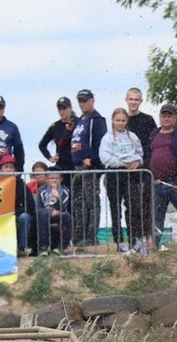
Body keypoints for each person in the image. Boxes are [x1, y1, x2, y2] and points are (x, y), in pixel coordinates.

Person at [99, 107, 145, 254]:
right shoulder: (107, 138)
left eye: (123, 120)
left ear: (127, 121)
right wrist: (122, 163)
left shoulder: (133, 137)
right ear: (113, 121)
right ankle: (118, 240)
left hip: (131, 174)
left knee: (133, 206)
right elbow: (105, 158)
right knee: (115, 209)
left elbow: (140, 154)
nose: (120, 123)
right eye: (117, 120)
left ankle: (134, 238)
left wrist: (137, 162)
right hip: (114, 174)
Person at [70, 89, 107, 246]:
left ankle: (92, 235)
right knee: (78, 202)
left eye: (85, 100)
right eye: (80, 101)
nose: (83, 103)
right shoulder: (80, 120)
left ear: (92, 100)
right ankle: (79, 233)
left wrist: (94, 161)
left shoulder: (97, 119)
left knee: (91, 201)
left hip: (89, 167)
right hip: (77, 167)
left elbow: (101, 143)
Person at [124, 88, 156, 243]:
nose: (133, 102)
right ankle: (133, 238)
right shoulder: (122, 120)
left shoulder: (148, 120)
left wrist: (144, 163)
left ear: (141, 101)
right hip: (126, 171)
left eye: (136, 100)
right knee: (131, 206)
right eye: (131, 99)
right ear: (126, 100)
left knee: (146, 205)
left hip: (144, 169)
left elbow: (152, 145)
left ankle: (147, 237)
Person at [0, 154, 33, 256]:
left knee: (24, 217)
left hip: (18, 214)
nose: (9, 169)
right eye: (6, 167)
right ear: (0, 170)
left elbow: (30, 204)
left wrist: (14, 213)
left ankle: (21, 249)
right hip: (0, 215)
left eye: (11, 167)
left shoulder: (21, 184)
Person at [38, 97, 78, 177]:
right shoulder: (55, 126)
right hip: (61, 166)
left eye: (64, 108)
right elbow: (42, 144)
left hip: (76, 165)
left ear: (70, 108)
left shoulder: (78, 123)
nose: (62, 112)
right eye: (59, 109)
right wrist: (50, 157)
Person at [35, 170, 72, 255]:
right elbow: (39, 207)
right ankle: (43, 247)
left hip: (59, 214)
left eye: (57, 178)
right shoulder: (41, 190)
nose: (54, 180)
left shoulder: (65, 191)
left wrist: (58, 198)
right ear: (47, 180)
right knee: (43, 215)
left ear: (61, 179)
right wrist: (50, 212)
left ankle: (62, 246)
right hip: (44, 215)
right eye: (51, 178)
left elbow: (63, 209)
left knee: (68, 218)